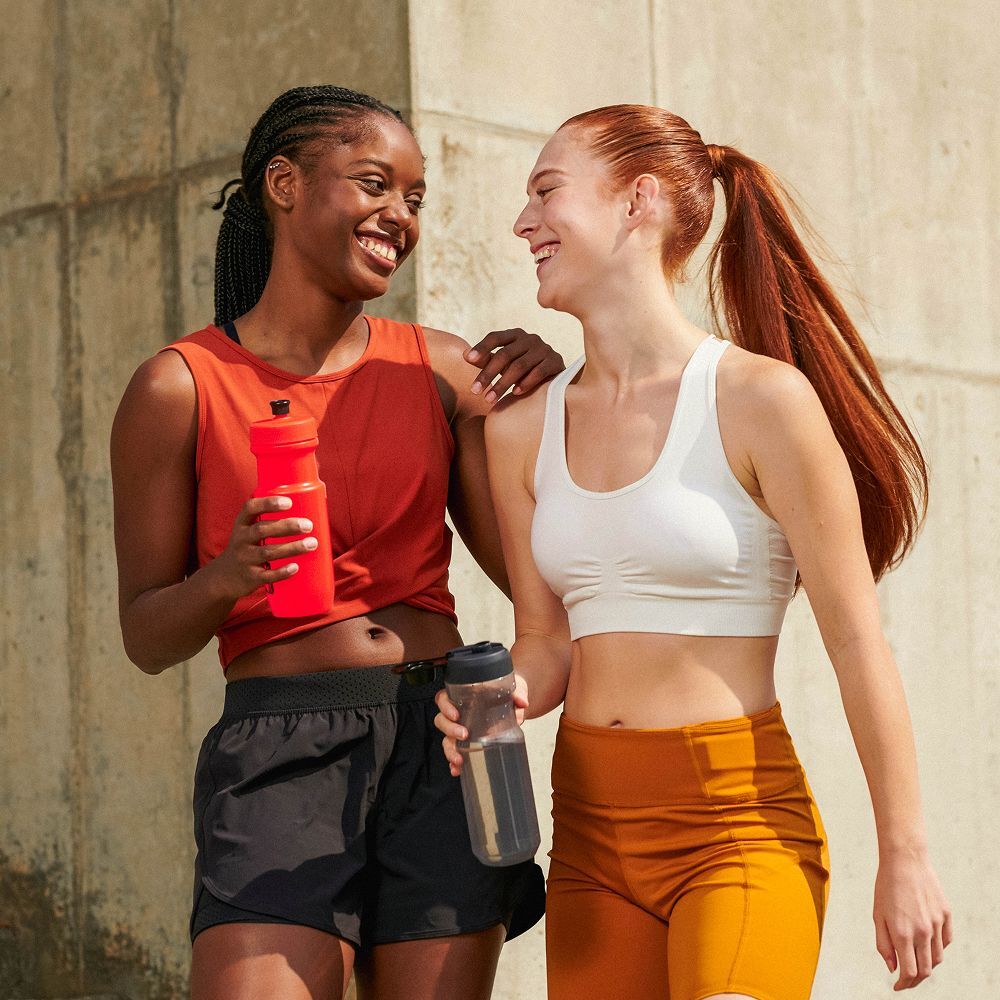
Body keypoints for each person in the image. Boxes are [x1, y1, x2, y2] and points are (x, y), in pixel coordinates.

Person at [435, 104, 952, 999]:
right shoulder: (521, 428)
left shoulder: (762, 401)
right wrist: (508, 700)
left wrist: (905, 854)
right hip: (589, 833)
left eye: (546, 192)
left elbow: (858, 643)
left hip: (739, 825)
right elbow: (546, 641)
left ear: (638, 201)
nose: (523, 222)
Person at [111, 85, 562, 1000]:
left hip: (447, 739)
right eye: (373, 185)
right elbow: (147, 638)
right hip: (279, 749)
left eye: (416, 198)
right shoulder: (178, 387)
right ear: (284, 183)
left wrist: (547, 399)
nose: (400, 216)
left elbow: (541, 572)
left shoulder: (441, 369)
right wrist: (226, 579)